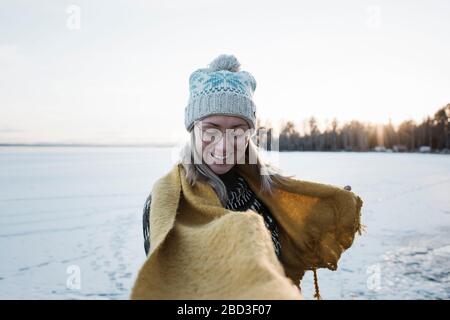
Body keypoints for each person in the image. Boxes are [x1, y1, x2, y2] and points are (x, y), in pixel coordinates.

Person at [132, 54, 363, 300]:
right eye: (211, 130)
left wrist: (325, 206)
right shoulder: (168, 203)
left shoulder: (261, 190)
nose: (223, 147)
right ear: (193, 130)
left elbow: (286, 246)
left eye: (237, 132)